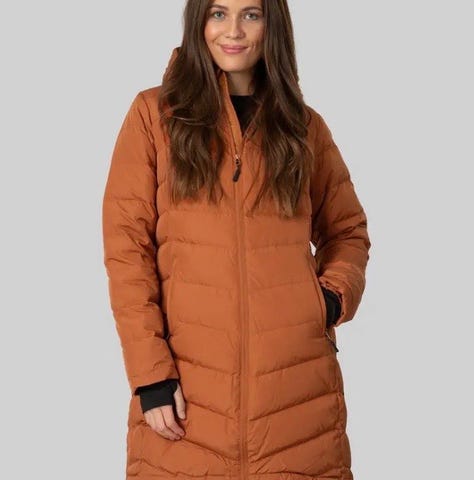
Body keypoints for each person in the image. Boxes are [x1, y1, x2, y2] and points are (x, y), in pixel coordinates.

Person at [102, 0, 371, 479]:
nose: (234, 30)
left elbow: (347, 231)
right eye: (218, 13)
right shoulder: (154, 116)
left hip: (297, 402)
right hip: (186, 402)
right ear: (198, 21)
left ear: (272, 24)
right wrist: (150, 375)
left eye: (251, 14)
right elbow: (128, 251)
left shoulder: (303, 126)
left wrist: (327, 301)